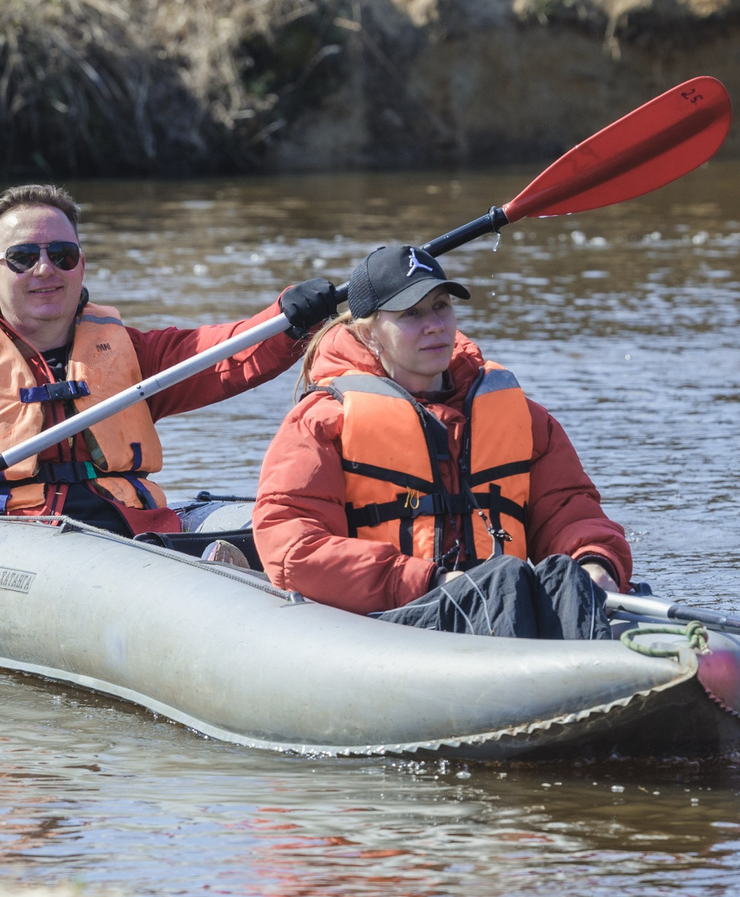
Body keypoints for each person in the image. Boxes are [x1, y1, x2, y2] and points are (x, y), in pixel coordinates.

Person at [0, 184, 341, 539]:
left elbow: (227, 352)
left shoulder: (127, 352)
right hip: (9, 542)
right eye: (23, 257)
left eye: (62, 255)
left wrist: (291, 316)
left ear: (80, 266)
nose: (45, 269)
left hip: (130, 531)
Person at [254, 242, 632, 639]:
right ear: (368, 335)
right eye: (411, 314)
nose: (434, 324)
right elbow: (294, 548)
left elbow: (570, 509)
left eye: (441, 306)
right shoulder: (321, 421)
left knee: (562, 576)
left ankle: (619, 681)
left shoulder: (522, 415)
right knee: (502, 579)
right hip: (395, 616)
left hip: (504, 600)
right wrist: (428, 580)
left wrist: (596, 563)